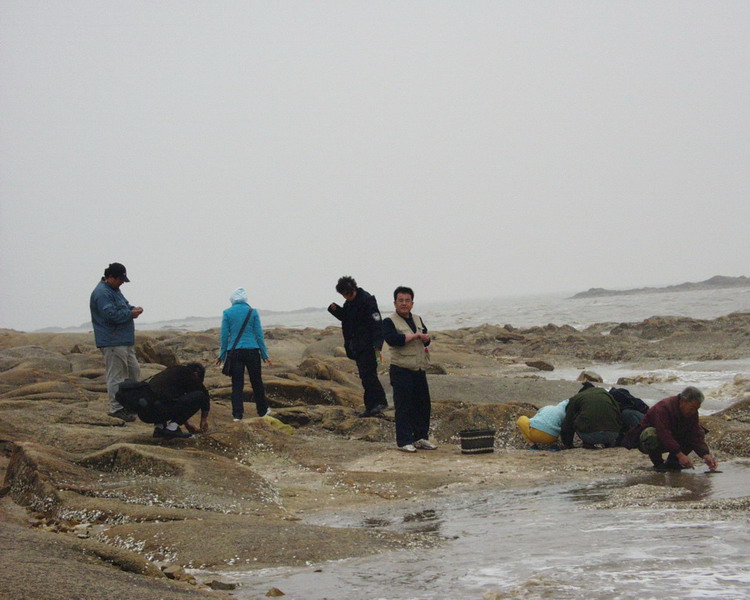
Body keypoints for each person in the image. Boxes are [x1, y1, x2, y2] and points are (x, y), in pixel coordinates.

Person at [382, 286, 436, 453]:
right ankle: (404, 441)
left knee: (423, 405)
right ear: (395, 303)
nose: (404, 304)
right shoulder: (389, 321)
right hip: (401, 369)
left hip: (419, 368)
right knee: (404, 406)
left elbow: (426, 338)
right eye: (401, 301)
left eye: (407, 301)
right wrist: (413, 336)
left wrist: (426, 338)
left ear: (412, 303)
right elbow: (392, 339)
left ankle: (421, 437)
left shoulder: (418, 318)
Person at [89, 262, 144, 422]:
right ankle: (116, 408)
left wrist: (134, 309)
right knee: (116, 376)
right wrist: (130, 314)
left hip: (124, 340)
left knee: (134, 371)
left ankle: (130, 403)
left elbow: (124, 306)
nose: (122, 283)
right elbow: (110, 315)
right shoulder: (102, 293)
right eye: (120, 279)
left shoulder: (115, 290)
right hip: (112, 341)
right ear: (111, 277)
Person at [328, 276, 387, 418]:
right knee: (364, 376)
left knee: (369, 375)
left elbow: (377, 323)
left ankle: (380, 403)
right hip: (357, 346)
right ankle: (371, 406)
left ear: (353, 289)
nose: (347, 297)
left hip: (368, 345)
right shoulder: (349, 303)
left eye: (348, 294)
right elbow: (347, 319)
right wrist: (335, 310)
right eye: (344, 295)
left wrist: (377, 345)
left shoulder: (367, 300)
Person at [623, 386, 719, 472]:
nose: (694, 411)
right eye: (692, 408)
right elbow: (663, 433)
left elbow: (694, 433)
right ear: (683, 401)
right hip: (650, 441)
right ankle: (658, 464)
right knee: (651, 434)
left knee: (699, 431)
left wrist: (705, 454)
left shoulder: (692, 413)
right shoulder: (663, 408)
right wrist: (680, 455)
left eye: (696, 409)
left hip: (671, 437)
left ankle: (673, 462)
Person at [218, 288, 272, 421]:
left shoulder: (227, 313)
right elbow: (259, 334)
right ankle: (262, 411)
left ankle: (237, 415)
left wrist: (222, 355)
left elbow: (224, 336)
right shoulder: (252, 312)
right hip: (252, 350)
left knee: (237, 384)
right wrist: (264, 354)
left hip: (234, 351)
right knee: (256, 381)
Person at [138, 363, 210, 439]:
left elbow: (174, 401)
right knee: (200, 396)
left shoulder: (171, 372)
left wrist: (187, 425)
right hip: (160, 409)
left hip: (144, 414)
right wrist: (204, 419)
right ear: (196, 374)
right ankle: (171, 429)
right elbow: (204, 396)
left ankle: (159, 429)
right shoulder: (189, 374)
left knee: (162, 398)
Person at [560, 383, 623, 449]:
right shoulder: (606, 394)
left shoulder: (577, 397)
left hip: (589, 437)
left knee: (577, 416)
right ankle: (608, 443)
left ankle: (588, 443)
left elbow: (567, 423)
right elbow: (618, 412)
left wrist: (567, 444)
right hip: (612, 435)